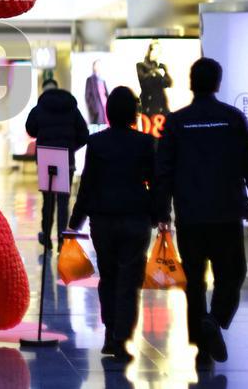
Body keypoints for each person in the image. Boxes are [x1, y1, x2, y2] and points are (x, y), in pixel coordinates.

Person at [154, 57, 248, 369]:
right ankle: (214, 320)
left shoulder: (176, 122)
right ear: (217, 83)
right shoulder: (232, 119)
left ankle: (200, 348)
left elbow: (164, 170)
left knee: (194, 281)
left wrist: (162, 211)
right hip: (227, 213)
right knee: (233, 273)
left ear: (191, 83)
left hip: (190, 215)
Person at [67, 87, 154, 363]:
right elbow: (156, 182)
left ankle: (110, 332)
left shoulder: (97, 143)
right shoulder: (144, 142)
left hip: (103, 221)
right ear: (133, 112)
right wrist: (160, 214)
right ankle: (121, 337)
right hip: (135, 219)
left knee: (109, 277)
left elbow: (88, 185)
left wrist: (74, 222)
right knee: (130, 280)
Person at [25, 79, 89, 251]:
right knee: (63, 201)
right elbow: (84, 134)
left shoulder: (39, 109)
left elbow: (30, 129)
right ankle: (62, 238)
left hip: (46, 159)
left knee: (48, 200)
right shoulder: (71, 108)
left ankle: (46, 237)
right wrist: (70, 148)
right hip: (66, 160)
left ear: (44, 91)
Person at [136, 41, 172, 117]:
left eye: (158, 51)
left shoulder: (159, 68)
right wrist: (154, 71)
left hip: (161, 104)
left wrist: (166, 71)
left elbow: (168, 83)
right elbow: (143, 81)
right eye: (153, 50)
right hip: (148, 103)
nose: (156, 54)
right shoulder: (141, 66)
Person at [84, 59, 109, 125]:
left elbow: (106, 94)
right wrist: (93, 108)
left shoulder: (102, 79)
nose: (98, 67)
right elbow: (87, 96)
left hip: (105, 106)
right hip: (97, 108)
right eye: (97, 65)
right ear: (94, 66)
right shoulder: (90, 80)